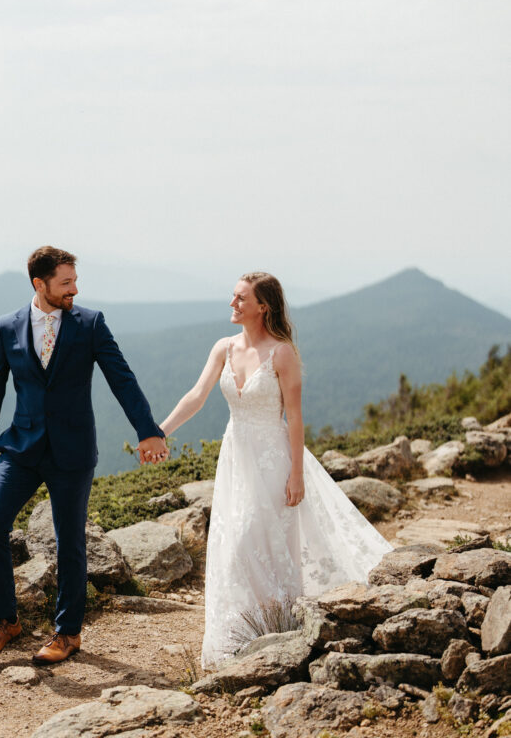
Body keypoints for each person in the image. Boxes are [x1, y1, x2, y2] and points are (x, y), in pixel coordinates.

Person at [159, 271, 393, 668]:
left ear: (262, 306)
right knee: (234, 542)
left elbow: (296, 418)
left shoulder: (282, 353)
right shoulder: (224, 347)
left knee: (261, 540)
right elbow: (196, 396)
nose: (232, 304)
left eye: (240, 299)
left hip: (274, 458)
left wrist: (297, 473)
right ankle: (242, 634)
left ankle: (283, 626)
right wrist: (158, 432)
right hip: (236, 458)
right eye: (233, 297)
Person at [0, 246, 169, 664]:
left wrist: (147, 431)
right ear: (39, 284)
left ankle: (68, 633)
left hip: (72, 451)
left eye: (75, 281)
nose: (75, 289)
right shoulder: (7, 327)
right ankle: (5, 623)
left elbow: (122, 378)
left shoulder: (90, 324)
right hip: (20, 448)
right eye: (66, 282)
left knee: (70, 543)